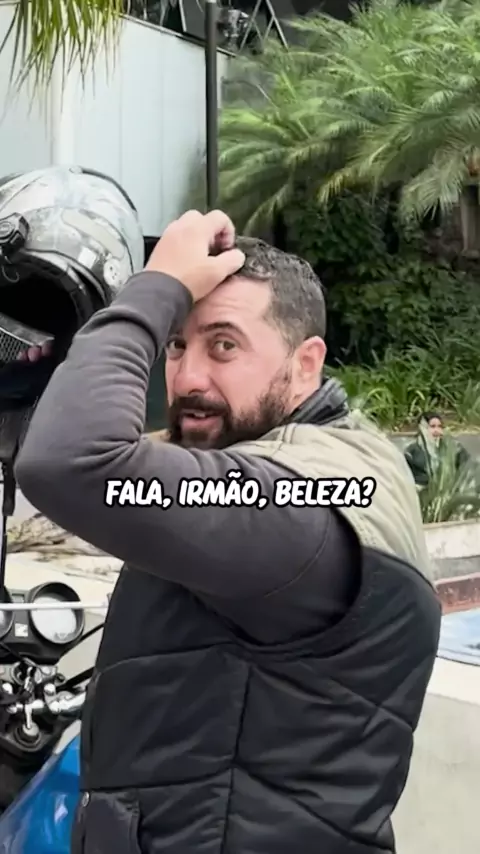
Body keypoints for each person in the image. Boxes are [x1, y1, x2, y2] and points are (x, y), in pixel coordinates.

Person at [11, 195, 441, 854]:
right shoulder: (283, 462)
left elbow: (72, 462)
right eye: (176, 344)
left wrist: (156, 287)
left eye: (224, 345)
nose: (188, 378)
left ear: (306, 364)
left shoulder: (306, 497)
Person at [404, 411, 470, 486]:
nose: (437, 430)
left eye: (440, 426)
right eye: (432, 426)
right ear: (422, 429)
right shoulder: (411, 453)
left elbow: (466, 468)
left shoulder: (454, 449)